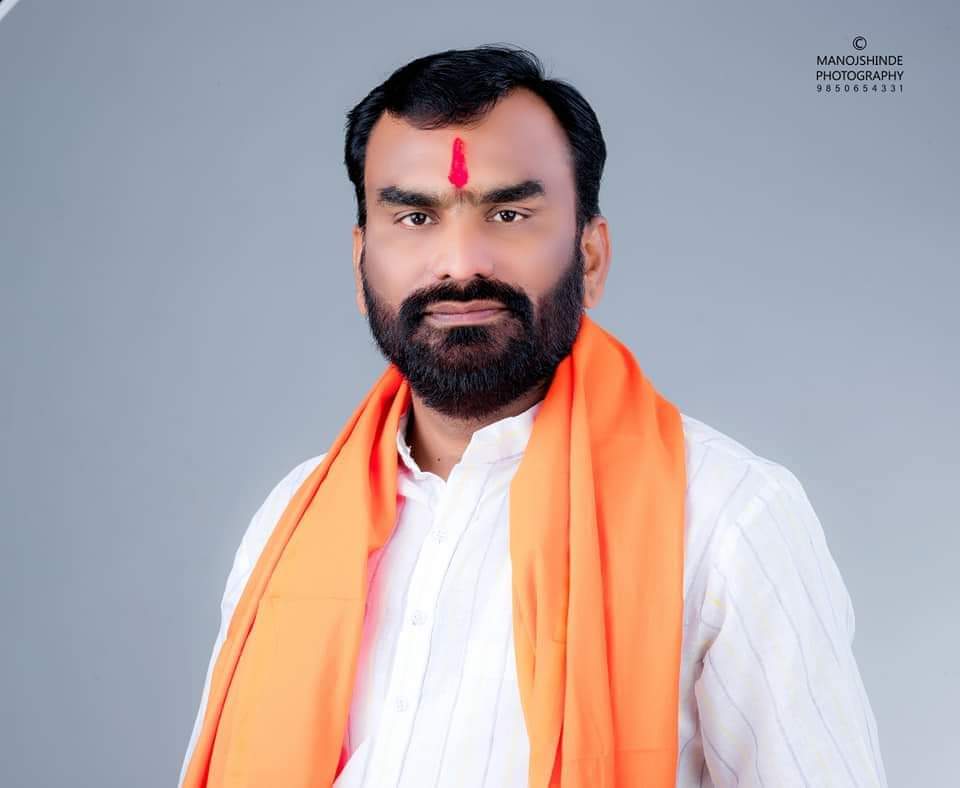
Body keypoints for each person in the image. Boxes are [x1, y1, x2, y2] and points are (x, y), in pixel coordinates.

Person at [178, 45, 887, 787]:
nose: (460, 264)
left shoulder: (728, 516)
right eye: (415, 216)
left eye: (509, 213)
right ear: (361, 264)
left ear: (591, 257)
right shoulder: (289, 521)